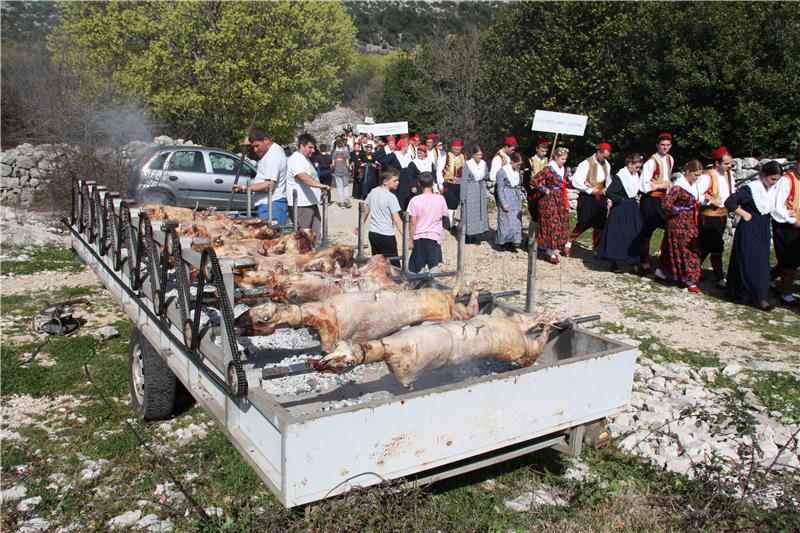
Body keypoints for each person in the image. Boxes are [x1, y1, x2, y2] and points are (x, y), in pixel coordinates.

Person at [724, 161, 783, 311]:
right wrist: (743, 213)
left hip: (762, 227)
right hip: (749, 228)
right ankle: (758, 297)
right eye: (772, 179)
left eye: (776, 180)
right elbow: (730, 202)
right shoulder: (751, 190)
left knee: (762, 261)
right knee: (750, 261)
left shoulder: (771, 190)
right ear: (763, 175)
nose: (773, 183)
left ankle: (748, 293)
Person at [654, 160, 703, 292]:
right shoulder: (678, 186)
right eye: (695, 175)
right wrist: (677, 211)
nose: (697, 178)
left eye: (699, 175)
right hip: (678, 223)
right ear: (688, 172)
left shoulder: (691, 186)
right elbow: (666, 203)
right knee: (684, 249)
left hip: (689, 221)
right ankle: (688, 278)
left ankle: (662, 271)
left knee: (679, 247)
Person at [694, 146, 735, 287]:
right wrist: (711, 200)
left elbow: (731, 193)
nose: (729, 166)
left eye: (730, 164)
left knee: (708, 247)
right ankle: (719, 278)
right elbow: (696, 195)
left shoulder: (728, 175)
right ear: (717, 163)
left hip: (721, 216)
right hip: (709, 217)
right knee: (715, 247)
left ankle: (694, 271)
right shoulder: (707, 177)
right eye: (726, 164)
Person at [231, 127, 288, 226]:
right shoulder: (272, 151)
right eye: (253, 147)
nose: (255, 150)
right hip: (268, 205)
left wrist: (245, 188)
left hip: (271, 206)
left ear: (266, 140)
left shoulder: (273, 156)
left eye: (257, 146)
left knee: (270, 239)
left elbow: (269, 185)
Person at [598, 153, 644, 273]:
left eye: (639, 167)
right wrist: (622, 200)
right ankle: (614, 262)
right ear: (630, 164)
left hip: (632, 208)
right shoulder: (620, 177)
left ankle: (633, 261)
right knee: (618, 235)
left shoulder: (635, 176)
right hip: (621, 209)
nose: (638, 170)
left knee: (634, 233)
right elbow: (610, 192)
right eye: (636, 167)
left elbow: (635, 190)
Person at [565, 142, 613, 256]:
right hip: (588, 197)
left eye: (607, 157)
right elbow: (576, 181)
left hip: (601, 197)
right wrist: (590, 190)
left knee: (600, 224)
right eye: (604, 156)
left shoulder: (607, 164)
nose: (605, 159)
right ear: (598, 152)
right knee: (583, 223)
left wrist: (609, 196)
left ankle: (596, 249)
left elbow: (608, 181)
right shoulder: (586, 164)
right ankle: (569, 241)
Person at [638, 133, 675, 272]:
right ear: (657, 146)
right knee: (646, 230)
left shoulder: (670, 159)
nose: (665, 148)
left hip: (663, 199)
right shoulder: (651, 162)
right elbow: (644, 185)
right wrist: (661, 185)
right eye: (662, 145)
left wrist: (664, 185)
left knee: (668, 225)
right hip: (651, 199)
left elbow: (667, 181)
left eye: (667, 145)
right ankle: (644, 261)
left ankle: (665, 259)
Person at [286, 132, 331, 238]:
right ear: (301, 146)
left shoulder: (305, 159)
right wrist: (321, 186)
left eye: (313, 147)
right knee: (303, 239)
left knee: (314, 236)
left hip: (310, 203)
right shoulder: (296, 159)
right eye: (310, 147)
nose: (313, 150)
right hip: (302, 205)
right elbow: (303, 177)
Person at [770, 152, 800, 307]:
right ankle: (786, 293)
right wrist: (793, 221)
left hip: (797, 223)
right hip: (786, 225)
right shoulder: (786, 180)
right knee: (789, 260)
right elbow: (777, 207)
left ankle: (767, 280)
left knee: (792, 259)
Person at [533, 147, 571, 263]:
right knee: (551, 225)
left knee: (561, 223)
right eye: (562, 159)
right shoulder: (549, 169)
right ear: (556, 157)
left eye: (565, 159)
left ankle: (555, 247)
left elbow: (563, 183)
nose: (564, 161)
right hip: (549, 200)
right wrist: (544, 189)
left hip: (559, 199)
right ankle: (550, 252)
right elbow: (534, 181)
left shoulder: (562, 168)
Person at [407, 172, 449, 273]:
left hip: (419, 236)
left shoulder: (415, 200)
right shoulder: (440, 199)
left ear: (419, 184)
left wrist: (410, 238)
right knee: (433, 265)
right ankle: (433, 287)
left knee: (419, 266)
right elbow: (444, 215)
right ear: (433, 182)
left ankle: (419, 287)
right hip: (434, 235)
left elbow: (413, 222)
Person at [364, 168, 403, 264]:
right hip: (386, 235)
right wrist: (406, 236)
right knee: (393, 264)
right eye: (395, 180)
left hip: (373, 233)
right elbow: (397, 219)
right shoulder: (391, 197)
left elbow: (366, 210)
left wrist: (360, 225)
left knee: (377, 263)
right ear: (385, 181)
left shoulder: (373, 191)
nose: (398, 182)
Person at [494, 152, 524, 252]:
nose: (519, 166)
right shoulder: (502, 172)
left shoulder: (517, 171)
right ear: (513, 161)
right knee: (505, 220)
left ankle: (513, 242)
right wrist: (503, 202)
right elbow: (499, 189)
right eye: (518, 164)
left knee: (515, 221)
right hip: (506, 195)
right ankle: (503, 242)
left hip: (514, 196)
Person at [461, 145, 490, 244]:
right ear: (473, 155)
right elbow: (464, 181)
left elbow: (486, 175)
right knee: (470, 213)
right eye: (478, 155)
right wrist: (463, 196)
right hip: (470, 190)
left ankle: (476, 234)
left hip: (480, 189)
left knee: (479, 213)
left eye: (481, 155)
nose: (480, 156)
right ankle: (468, 235)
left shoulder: (483, 164)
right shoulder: (468, 164)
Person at [441, 139, 467, 228]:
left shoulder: (464, 157)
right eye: (456, 149)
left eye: (459, 149)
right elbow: (439, 171)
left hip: (460, 184)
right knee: (450, 202)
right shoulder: (446, 156)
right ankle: (451, 224)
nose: (457, 151)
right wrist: (440, 185)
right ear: (452, 148)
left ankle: (453, 222)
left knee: (456, 203)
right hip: (449, 183)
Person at [525, 139, 550, 222]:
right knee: (535, 216)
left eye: (546, 151)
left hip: (545, 191)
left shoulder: (548, 161)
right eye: (542, 151)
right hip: (534, 191)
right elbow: (526, 179)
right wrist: (529, 191)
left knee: (543, 216)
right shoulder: (530, 161)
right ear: (537, 149)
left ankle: (540, 234)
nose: (544, 153)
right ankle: (531, 235)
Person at [332, 138, 351, 208]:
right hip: (345, 171)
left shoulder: (334, 153)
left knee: (340, 187)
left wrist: (333, 170)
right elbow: (347, 163)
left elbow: (333, 164)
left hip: (337, 172)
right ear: (342, 144)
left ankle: (341, 202)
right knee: (345, 186)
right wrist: (349, 170)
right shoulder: (346, 152)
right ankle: (346, 200)